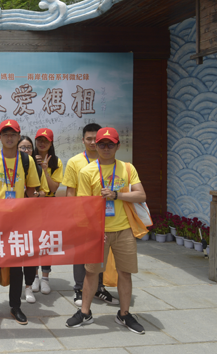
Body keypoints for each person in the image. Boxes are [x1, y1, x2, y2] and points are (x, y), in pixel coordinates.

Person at [66, 127, 147, 334]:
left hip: (124, 229)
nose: (105, 147)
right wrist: (93, 229)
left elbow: (141, 195)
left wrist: (116, 195)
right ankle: (85, 312)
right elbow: (84, 205)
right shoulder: (87, 171)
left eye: (110, 144)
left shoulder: (127, 168)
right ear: (95, 145)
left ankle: (124, 314)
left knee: (125, 273)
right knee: (91, 273)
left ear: (117, 146)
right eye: (101, 144)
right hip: (98, 231)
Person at [0, 120, 41, 325]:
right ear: (0, 137)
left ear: (18, 136)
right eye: (5, 134)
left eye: (13, 134)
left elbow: (31, 191)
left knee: (16, 267)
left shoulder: (26, 160)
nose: (9, 138)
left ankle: (15, 306)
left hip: (18, 222)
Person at [63, 123, 118, 307]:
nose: (93, 142)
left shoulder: (110, 162)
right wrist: (74, 216)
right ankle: (79, 289)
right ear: (83, 140)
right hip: (83, 217)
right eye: (89, 139)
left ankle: (99, 288)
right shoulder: (75, 162)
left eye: (97, 139)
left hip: (106, 216)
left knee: (100, 254)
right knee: (81, 255)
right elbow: (70, 191)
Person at [31, 127, 64, 296]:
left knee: (46, 241)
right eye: (39, 140)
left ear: (51, 143)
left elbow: (54, 187)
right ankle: (34, 276)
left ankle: (45, 278)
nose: (42, 143)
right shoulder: (28, 159)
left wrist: (44, 169)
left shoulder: (56, 162)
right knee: (33, 240)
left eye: (46, 140)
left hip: (49, 204)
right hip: (32, 204)